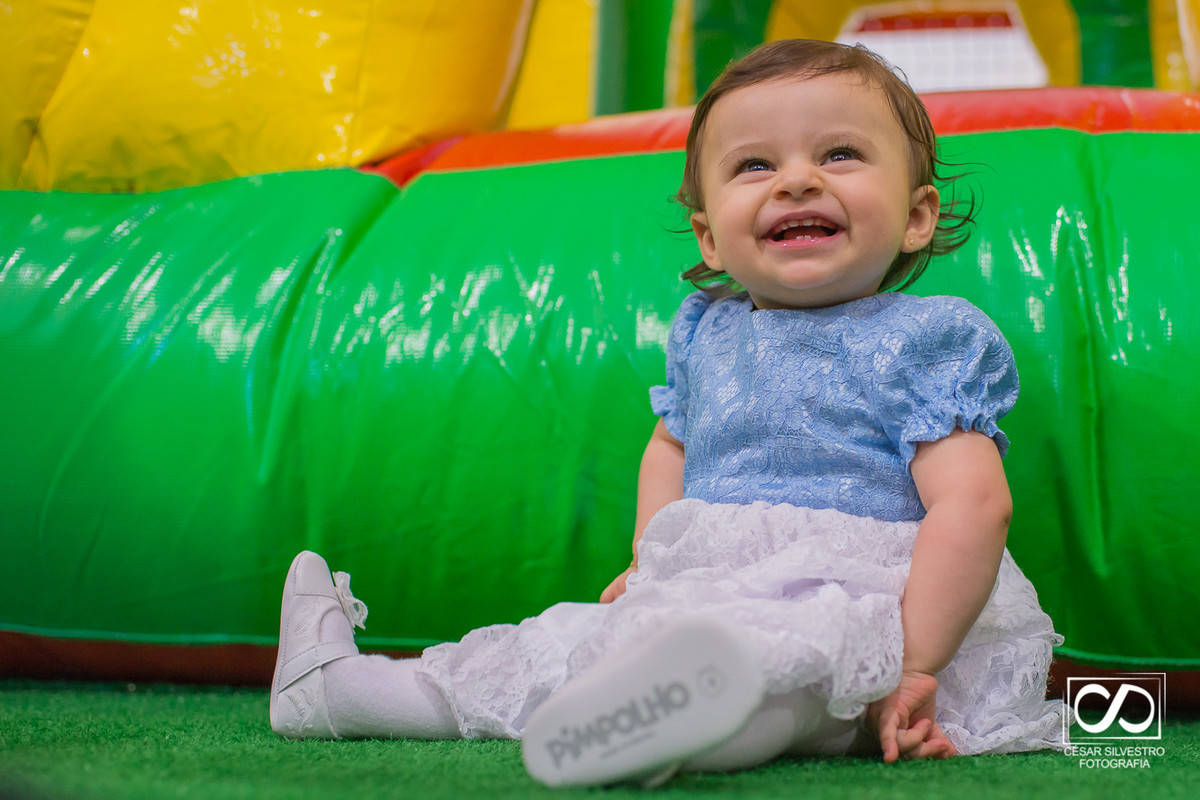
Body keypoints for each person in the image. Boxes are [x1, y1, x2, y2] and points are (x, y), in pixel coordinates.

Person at [269, 39, 1067, 787]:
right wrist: (654, 561)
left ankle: (673, 725)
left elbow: (972, 502)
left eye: (839, 154)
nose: (796, 181)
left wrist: (915, 661)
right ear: (709, 235)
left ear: (917, 215)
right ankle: (340, 690)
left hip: (869, 607)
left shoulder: (925, 340)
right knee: (554, 651)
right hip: (709, 591)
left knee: (787, 671)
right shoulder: (705, 334)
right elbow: (670, 448)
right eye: (755, 165)